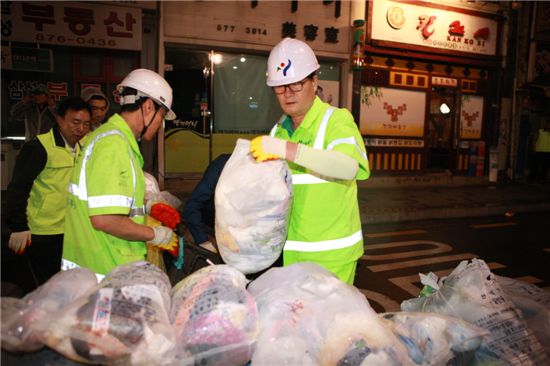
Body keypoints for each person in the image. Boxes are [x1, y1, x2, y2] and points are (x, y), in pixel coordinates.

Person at [250, 38, 370, 285]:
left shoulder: (336, 121)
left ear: (314, 81)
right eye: (280, 87)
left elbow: (348, 167)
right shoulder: (277, 132)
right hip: (291, 257)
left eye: (296, 84)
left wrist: (288, 149)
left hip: (332, 258)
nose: (288, 93)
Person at [62, 69, 178, 280]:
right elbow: (105, 219)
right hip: (105, 268)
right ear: (148, 107)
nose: (161, 125)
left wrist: (148, 205)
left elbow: (108, 196)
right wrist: (155, 235)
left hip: (100, 262)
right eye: (162, 116)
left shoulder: (113, 139)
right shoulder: (114, 145)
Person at [6, 97, 91, 292]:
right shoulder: (39, 147)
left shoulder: (84, 146)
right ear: (60, 120)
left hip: (70, 229)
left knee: (64, 284)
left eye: (86, 124)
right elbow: (18, 188)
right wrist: (18, 225)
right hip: (41, 232)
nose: (81, 129)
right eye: (75, 122)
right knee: (43, 287)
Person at [182, 153, 231, 252]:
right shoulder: (222, 165)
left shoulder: (264, 176)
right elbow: (192, 206)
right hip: (210, 225)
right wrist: (203, 241)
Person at [528, 117, 550, 184]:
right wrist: (533, 148)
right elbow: (534, 140)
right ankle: (532, 178)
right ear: (546, 124)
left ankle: (541, 179)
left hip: (548, 152)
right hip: (539, 151)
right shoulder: (540, 131)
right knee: (535, 166)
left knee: (545, 167)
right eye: (548, 124)